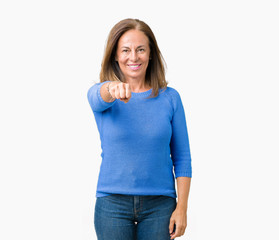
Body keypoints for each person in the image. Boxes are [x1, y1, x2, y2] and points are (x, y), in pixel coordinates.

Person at [87, 18, 192, 240]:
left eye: (140, 49)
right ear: (115, 55)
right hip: (112, 205)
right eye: (125, 50)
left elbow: (182, 158)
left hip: (160, 206)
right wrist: (111, 88)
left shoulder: (170, 98)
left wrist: (181, 208)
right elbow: (98, 98)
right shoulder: (103, 94)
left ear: (150, 53)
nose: (133, 57)